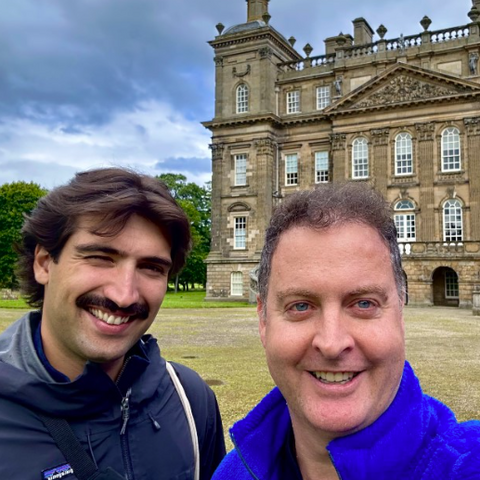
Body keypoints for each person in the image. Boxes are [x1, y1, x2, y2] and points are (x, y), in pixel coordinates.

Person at [212, 182, 480, 480]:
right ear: (263, 320)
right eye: (300, 306)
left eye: (364, 303)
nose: (331, 343)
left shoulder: (466, 465)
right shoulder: (232, 473)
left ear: (400, 311)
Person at [0, 167, 226, 480]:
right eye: (100, 257)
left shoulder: (190, 401)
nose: (123, 296)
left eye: (151, 267)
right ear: (43, 263)